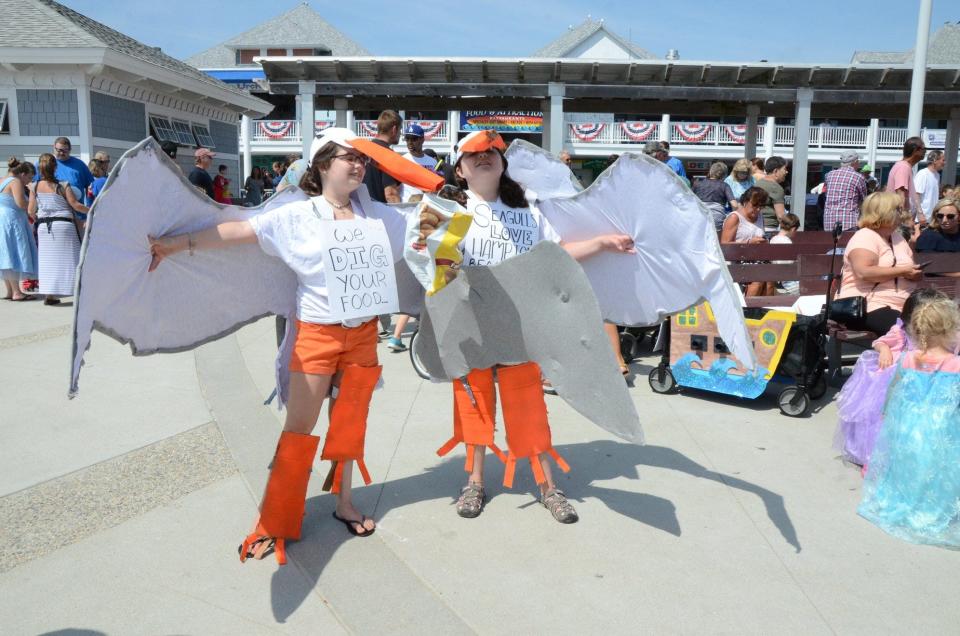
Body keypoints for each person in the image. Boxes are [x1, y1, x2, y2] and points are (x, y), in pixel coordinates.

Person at [148, 128, 422, 563]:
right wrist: (175, 246)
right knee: (299, 432)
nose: (357, 165)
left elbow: (425, 229)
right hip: (317, 335)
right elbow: (238, 231)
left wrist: (445, 210)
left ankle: (344, 503)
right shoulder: (296, 216)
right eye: (346, 157)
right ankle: (275, 519)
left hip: (365, 336)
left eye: (362, 158)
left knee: (349, 427)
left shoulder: (380, 218)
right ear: (322, 165)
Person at [433, 130, 636, 524]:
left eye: (493, 151)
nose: (485, 158)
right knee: (474, 406)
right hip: (471, 325)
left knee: (529, 408)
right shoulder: (450, 211)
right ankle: (474, 481)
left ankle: (547, 485)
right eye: (474, 155)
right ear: (460, 169)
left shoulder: (526, 210)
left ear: (503, 162)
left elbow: (555, 254)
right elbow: (436, 265)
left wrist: (601, 244)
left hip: (522, 328)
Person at [857, 292, 960, 548]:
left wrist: (887, 415)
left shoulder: (908, 358)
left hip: (906, 426)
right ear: (951, 329)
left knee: (905, 465)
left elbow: (894, 389)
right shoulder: (954, 364)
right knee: (934, 470)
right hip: (940, 429)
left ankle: (901, 500)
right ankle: (926, 508)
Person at [835, 288, 943, 469]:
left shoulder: (938, 334)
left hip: (923, 377)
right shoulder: (902, 329)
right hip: (894, 377)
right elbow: (881, 341)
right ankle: (874, 453)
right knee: (879, 418)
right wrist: (885, 349)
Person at [834, 191, 922, 334]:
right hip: (868, 305)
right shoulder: (864, 236)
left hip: (903, 304)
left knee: (940, 325)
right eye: (898, 209)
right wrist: (903, 271)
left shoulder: (898, 238)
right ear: (884, 212)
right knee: (911, 332)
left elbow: (907, 269)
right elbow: (864, 272)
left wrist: (914, 274)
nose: (902, 213)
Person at [28, 153, 88, 305]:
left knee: (48, 261)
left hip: (44, 227)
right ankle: (76, 291)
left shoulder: (34, 186)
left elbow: (31, 210)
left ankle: (50, 295)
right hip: (63, 225)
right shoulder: (63, 185)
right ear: (55, 167)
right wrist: (92, 210)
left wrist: (38, 218)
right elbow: (75, 205)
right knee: (71, 259)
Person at [720, 186, 774, 296]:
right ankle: (748, 311)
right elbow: (724, 245)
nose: (758, 209)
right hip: (737, 260)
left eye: (761, 206)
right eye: (755, 205)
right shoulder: (734, 218)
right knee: (757, 279)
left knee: (770, 280)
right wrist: (748, 243)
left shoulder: (760, 217)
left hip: (756, 259)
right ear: (745, 202)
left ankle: (766, 309)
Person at [0, 159, 38, 300]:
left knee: (5, 253)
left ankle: (10, 291)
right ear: (22, 174)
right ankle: (17, 292)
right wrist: (34, 203)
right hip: (12, 220)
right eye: (29, 177)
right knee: (14, 252)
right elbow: (21, 203)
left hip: (1, 219)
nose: (28, 181)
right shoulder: (15, 182)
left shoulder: (1, 180)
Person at [361, 110, 403, 204]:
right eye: (400, 129)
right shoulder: (389, 155)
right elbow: (390, 194)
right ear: (394, 130)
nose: (400, 134)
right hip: (380, 213)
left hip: (360, 209)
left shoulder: (362, 151)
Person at [39, 137, 94, 207]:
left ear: (70, 150)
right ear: (54, 147)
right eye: (59, 150)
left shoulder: (80, 165)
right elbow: (33, 185)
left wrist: (90, 206)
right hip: (53, 213)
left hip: (78, 213)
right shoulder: (45, 163)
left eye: (65, 151)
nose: (62, 153)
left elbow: (90, 187)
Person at [886, 136, 926, 226]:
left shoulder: (904, 166)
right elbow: (901, 195)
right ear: (916, 150)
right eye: (924, 149)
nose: (925, 152)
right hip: (898, 219)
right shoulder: (903, 167)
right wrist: (906, 220)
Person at [823, 151, 867, 231]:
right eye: (858, 161)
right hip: (849, 222)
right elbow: (864, 200)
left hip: (829, 222)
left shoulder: (829, 175)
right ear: (855, 162)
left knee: (832, 243)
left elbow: (826, 194)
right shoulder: (858, 177)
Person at [399, 123, 437, 203]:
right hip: (407, 206)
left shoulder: (432, 162)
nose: (410, 142)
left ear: (422, 139)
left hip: (427, 204)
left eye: (414, 138)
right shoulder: (402, 160)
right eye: (407, 138)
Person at [693, 161, 737, 229]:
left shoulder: (697, 184)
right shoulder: (724, 186)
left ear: (710, 172)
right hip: (717, 220)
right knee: (717, 239)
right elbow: (734, 205)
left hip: (699, 217)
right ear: (725, 175)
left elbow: (688, 199)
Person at [754, 156, 788, 231]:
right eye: (784, 169)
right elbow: (780, 216)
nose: (786, 172)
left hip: (755, 225)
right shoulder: (776, 188)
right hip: (769, 228)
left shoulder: (757, 183)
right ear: (775, 171)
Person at [769, 212, 800, 294]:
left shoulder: (773, 239)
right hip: (785, 282)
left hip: (775, 278)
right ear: (793, 229)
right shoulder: (787, 242)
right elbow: (788, 265)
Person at [915, 150, 945, 223]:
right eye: (943, 160)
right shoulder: (923, 174)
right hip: (922, 219)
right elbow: (916, 195)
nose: (944, 163)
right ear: (935, 160)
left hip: (932, 218)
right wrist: (920, 214)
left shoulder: (937, 175)